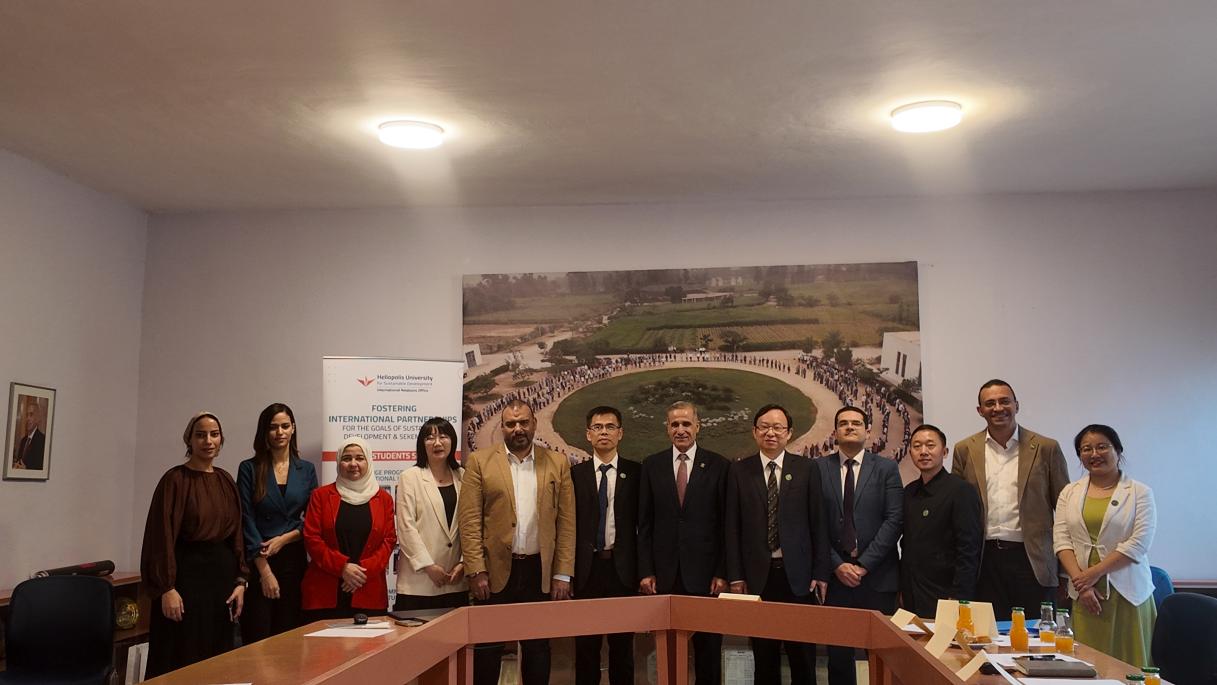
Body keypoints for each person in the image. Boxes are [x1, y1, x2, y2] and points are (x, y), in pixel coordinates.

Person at [457, 399, 575, 685]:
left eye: (523, 422)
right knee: (488, 650)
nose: (518, 428)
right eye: (511, 424)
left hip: (538, 571)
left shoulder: (557, 462)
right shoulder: (480, 462)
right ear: (502, 427)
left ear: (534, 424)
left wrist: (562, 573)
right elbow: (469, 521)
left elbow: (566, 522)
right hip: (493, 572)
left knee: (538, 649)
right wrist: (476, 569)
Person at [726, 404, 830, 685]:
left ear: (789, 432)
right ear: (754, 431)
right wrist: (736, 576)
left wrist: (821, 572)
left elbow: (819, 524)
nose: (770, 433)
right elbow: (732, 528)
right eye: (764, 427)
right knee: (764, 656)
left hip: (798, 578)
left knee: (802, 657)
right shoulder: (739, 471)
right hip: (758, 578)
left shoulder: (807, 469)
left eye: (777, 427)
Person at [140, 412, 248, 677]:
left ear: (221, 440)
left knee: (217, 660)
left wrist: (241, 581)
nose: (208, 441)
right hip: (184, 582)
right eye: (200, 435)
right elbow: (160, 536)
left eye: (214, 434)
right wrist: (167, 588)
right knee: (180, 656)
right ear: (189, 440)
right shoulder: (174, 480)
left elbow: (237, 534)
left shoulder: (226, 480)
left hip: (220, 584)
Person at [951, 379, 1069, 619]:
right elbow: (959, 510)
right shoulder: (965, 449)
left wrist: (1065, 571)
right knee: (988, 633)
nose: (998, 408)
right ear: (980, 410)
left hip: (1032, 559)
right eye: (990, 403)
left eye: (1004, 401)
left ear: (1017, 405)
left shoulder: (1046, 448)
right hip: (984, 560)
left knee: (1037, 633)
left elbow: (1065, 510)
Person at [638, 400, 729, 685]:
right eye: (675, 424)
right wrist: (646, 570)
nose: (681, 429)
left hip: (706, 578)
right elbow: (644, 524)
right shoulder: (651, 465)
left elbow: (726, 525)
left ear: (698, 426)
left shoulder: (719, 465)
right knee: (667, 654)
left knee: (708, 652)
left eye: (686, 424)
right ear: (667, 428)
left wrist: (722, 572)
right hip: (665, 576)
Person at [1053, 424, 1156, 666]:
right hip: (1084, 593)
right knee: (1086, 665)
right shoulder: (1069, 492)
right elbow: (1061, 540)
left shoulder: (1139, 492)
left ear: (1118, 451)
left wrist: (1093, 574)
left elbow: (1139, 543)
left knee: (1130, 665)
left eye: (1102, 447)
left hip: (1127, 593)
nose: (1094, 454)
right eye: (1086, 449)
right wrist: (1082, 584)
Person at [815, 406, 902, 685]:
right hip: (835, 578)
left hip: (877, 577)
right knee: (839, 657)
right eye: (843, 423)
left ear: (867, 430)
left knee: (883, 657)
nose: (850, 427)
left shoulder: (886, 468)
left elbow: (894, 520)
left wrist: (863, 565)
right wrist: (837, 564)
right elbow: (814, 523)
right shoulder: (818, 468)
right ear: (835, 432)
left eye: (856, 423)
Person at [236, 402, 317, 644]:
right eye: (273, 427)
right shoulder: (249, 468)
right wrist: (265, 572)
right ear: (264, 431)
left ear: (293, 428)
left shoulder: (307, 469)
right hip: (259, 558)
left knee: (289, 638)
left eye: (284, 426)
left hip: (293, 559)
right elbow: (245, 518)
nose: (279, 432)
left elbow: (313, 519)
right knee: (258, 638)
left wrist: (284, 539)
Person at [572, 406, 640, 685]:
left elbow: (645, 526)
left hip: (622, 572)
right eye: (597, 427)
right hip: (587, 572)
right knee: (586, 648)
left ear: (620, 433)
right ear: (588, 434)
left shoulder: (636, 473)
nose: (604, 432)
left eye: (610, 427)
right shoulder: (574, 475)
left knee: (622, 648)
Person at [301, 437, 396, 620]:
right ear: (338, 462)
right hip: (324, 592)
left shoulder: (384, 499)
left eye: (360, 458)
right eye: (346, 458)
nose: (353, 464)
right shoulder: (320, 496)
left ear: (368, 461)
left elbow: (389, 541)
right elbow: (312, 538)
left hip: (368, 590)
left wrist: (360, 573)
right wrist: (342, 568)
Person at [899, 424, 983, 618]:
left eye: (930, 445)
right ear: (910, 453)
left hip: (946, 592)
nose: (923, 451)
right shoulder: (909, 492)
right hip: (913, 591)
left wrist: (960, 596)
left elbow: (969, 548)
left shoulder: (961, 490)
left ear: (944, 452)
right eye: (917, 446)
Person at [394, 417, 469, 610]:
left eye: (443, 436)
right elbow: (406, 528)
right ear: (422, 444)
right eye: (430, 438)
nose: (437, 442)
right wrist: (428, 566)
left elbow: (473, 524)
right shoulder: (410, 477)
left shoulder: (464, 476)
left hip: (455, 580)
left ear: (452, 441)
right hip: (419, 583)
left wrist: (463, 563)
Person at [11, 399, 45, 470]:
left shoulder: (42, 440)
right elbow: (19, 462)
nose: (28, 418)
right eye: (27, 415)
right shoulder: (23, 440)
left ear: (37, 419)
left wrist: (26, 469)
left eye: (31, 415)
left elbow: (41, 469)